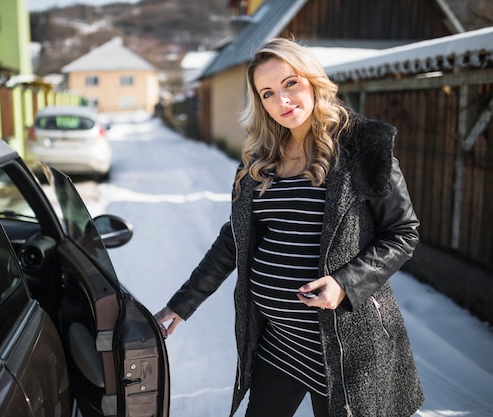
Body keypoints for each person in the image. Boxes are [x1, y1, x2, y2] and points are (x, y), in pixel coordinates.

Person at [154, 38, 424, 417]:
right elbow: (235, 238)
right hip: (280, 341)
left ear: (312, 80)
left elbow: (402, 232)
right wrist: (182, 304)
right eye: (267, 93)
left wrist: (346, 283)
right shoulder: (260, 159)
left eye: (290, 83)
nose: (281, 101)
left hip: (343, 348)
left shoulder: (364, 145)